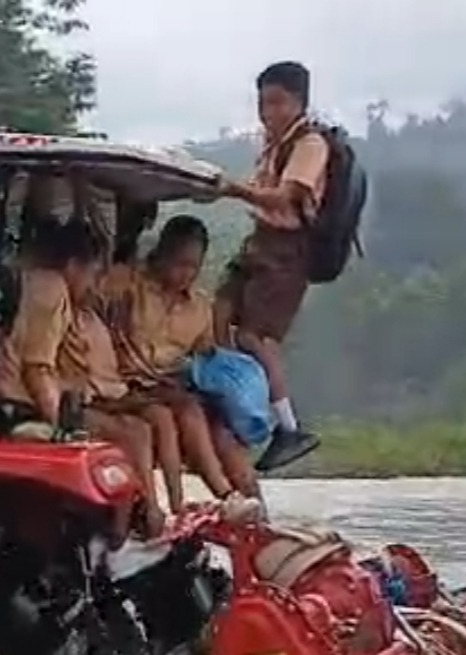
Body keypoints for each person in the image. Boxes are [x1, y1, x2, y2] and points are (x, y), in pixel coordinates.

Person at [7, 219, 168, 537]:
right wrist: (63, 427)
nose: (94, 284)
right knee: (126, 435)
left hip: (34, 395)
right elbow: (37, 368)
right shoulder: (51, 290)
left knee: (135, 429)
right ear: (73, 266)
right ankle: (121, 533)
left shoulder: (44, 287)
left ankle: (142, 512)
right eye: (93, 274)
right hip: (21, 401)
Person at [217, 60, 328, 473]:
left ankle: (288, 427)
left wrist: (232, 189)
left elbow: (282, 198)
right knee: (219, 311)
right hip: (260, 242)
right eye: (263, 103)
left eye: (278, 103)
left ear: (299, 102)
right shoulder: (273, 143)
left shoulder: (310, 144)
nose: (268, 113)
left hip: (286, 252)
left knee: (256, 335)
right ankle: (229, 397)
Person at [104, 216, 257, 510]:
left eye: (194, 267)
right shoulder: (128, 286)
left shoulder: (200, 307)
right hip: (127, 384)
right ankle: (211, 496)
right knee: (186, 412)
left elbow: (207, 359)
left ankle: (249, 509)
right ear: (161, 254)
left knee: (220, 431)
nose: (187, 273)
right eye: (180, 263)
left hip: (172, 386)